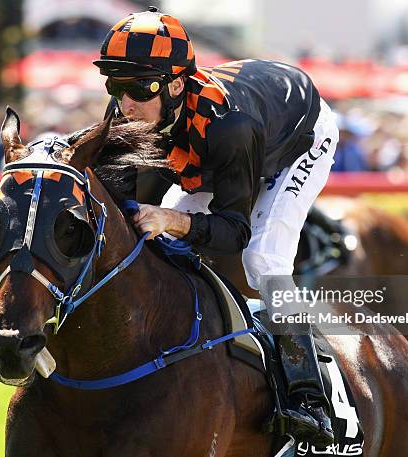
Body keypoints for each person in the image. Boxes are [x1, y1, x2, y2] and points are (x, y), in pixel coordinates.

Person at [93, 7, 339, 446]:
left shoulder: (230, 125)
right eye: (115, 85)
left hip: (297, 138)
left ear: (172, 84)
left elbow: (234, 231)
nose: (125, 103)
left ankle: (310, 396)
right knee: (154, 236)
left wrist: (174, 218)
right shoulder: (137, 104)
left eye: (137, 88)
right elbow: (120, 199)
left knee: (263, 258)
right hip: (217, 143)